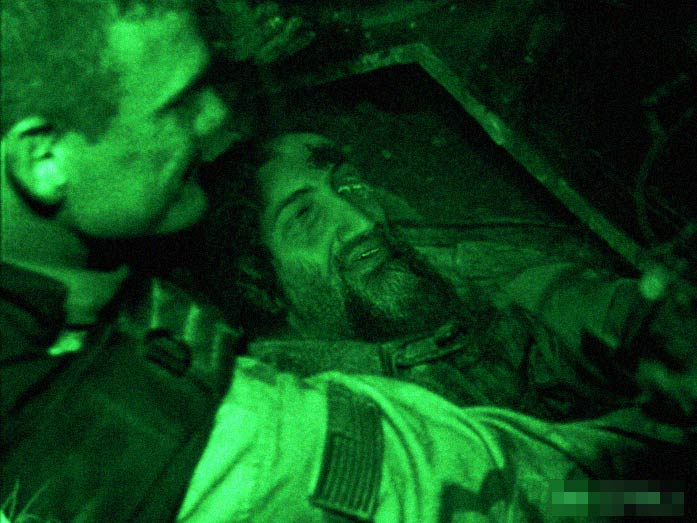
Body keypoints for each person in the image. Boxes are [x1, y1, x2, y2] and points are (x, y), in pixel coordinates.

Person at [1, 2, 694, 522]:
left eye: (350, 186)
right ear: (43, 157)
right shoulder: (228, 442)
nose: (215, 119)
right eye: (178, 105)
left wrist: (640, 324)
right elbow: (527, 497)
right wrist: (670, 486)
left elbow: (522, 286)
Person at [199, 132, 645, 419]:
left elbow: (551, 297)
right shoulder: (311, 416)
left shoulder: (427, 262)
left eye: (349, 186)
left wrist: (645, 325)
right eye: (304, 216)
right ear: (256, 281)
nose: (363, 221)